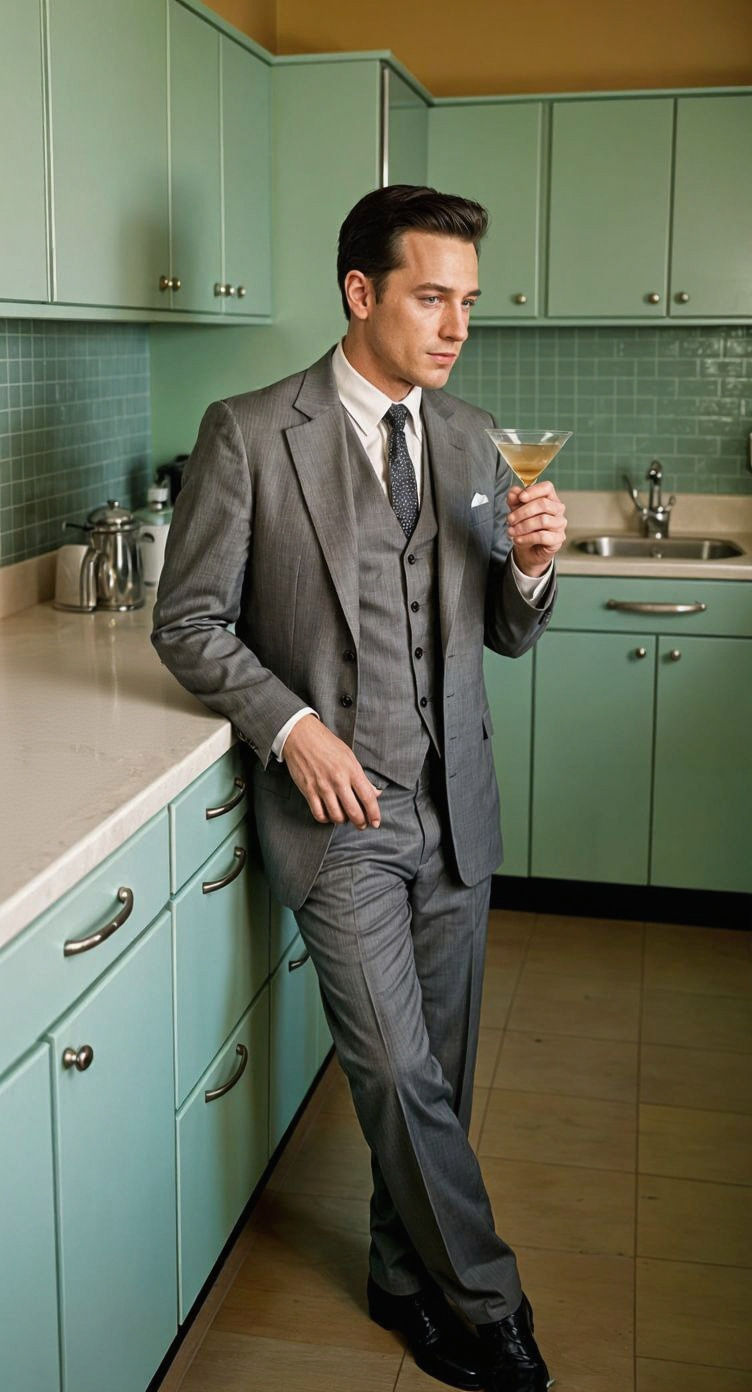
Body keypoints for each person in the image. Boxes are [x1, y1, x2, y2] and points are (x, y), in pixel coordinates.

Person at [152, 184, 567, 1392]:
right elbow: (186, 622)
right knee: (389, 1068)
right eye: (431, 297)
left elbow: (500, 633)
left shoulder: (473, 435)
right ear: (360, 292)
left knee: (433, 1072)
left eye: (467, 302)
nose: (455, 327)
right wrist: (288, 728)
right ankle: (487, 1302)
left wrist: (532, 571)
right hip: (342, 819)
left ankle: (401, 1278)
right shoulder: (248, 432)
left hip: (457, 812)